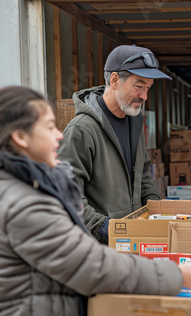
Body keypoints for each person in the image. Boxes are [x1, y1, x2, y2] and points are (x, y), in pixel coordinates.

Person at [0, 86, 191, 316]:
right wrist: (175, 275)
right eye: (50, 127)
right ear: (21, 137)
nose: (59, 135)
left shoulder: (15, 187)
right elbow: (92, 267)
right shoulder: (22, 204)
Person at [57, 45, 170, 244]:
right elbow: (65, 193)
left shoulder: (134, 121)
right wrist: (103, 228)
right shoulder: (82, 130)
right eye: (139, 86)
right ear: (115, 80)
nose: (144, 96)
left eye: (148, 88)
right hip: (98, 249)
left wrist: (158, 211)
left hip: (131, 243)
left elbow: (142, 175)